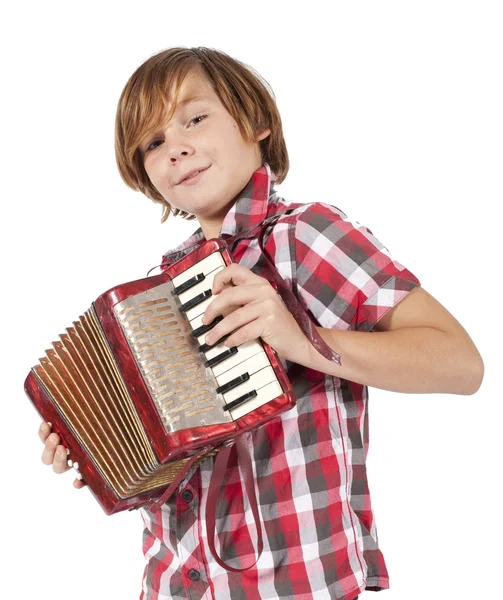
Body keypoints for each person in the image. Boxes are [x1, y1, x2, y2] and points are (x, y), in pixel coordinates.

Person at [38, 46, 484, 600]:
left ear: (256, 122)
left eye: (195, 118)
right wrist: (98, 448)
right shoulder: (163, 286)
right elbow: (182, 461)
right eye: (152, 143)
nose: (175, 147)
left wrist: (298, 341)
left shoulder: (305, 235)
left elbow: (461, 364)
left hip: (296, 583)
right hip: (176, 582)